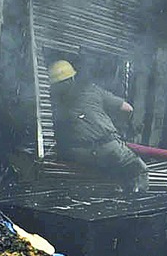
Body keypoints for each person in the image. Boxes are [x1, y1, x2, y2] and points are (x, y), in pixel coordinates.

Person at [47, 60, 148, 194]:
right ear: (72, 77)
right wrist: (117, 123)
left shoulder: (53, 102)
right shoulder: (91, 89)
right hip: (106, 148)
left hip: (76, 154)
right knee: (138, 170)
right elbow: (128, 109)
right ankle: (136, 199)